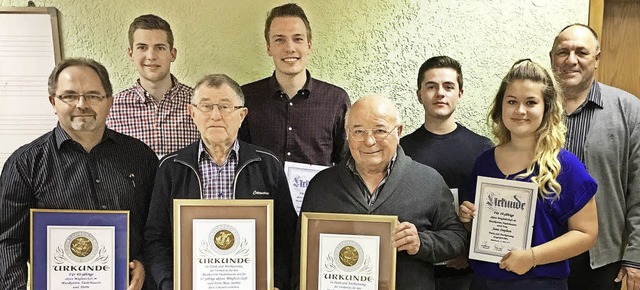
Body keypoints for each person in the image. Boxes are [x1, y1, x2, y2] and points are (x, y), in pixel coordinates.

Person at [0, 58, 158, 290]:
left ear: (109, 102)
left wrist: (145, 264)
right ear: (53, 102)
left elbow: (156, 229)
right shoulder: (25, 164)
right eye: (70, 96)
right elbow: (8, 241)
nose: (82, 104)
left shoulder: (140, 156)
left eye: (93, 95)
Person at [297, 94, 467, 289]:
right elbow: (301, 254)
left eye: (380, 131)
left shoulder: (429, 181)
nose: (369, 141)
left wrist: (421, 242)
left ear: (399, 132)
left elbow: (457, 238)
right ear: (347, 133)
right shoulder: (321, 185)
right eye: (358, 131)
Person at [144, 74, 297, 290]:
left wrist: (276, 283)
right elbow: (156, 238)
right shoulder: (171, 168)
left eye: (225, 107)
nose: (215, 116)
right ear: (192, 113)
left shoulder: (268, 165)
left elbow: (286, 235)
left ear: (242, 115)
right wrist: (170, 284)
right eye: (206, 106)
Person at [459, 59, 598, 290]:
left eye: (531, 102)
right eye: (512, 101)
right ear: (500, 106)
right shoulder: (484, 162)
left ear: (546, 108)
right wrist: (468, 219)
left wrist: (532, 257)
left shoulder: (565, 166)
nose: (520, 110)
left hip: (541, 284)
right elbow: (479, 230)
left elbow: (587, 233)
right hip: (484, 282)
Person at [549, 23, 640, 290]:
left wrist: (635, 258)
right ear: (552, 57)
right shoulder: (533, 110)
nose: (571, 60)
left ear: (597, 59)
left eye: (581, 52)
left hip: (601, 259)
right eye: (563, 52)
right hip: (540, 251)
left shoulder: (630, 111)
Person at [400, 55, 493, 290]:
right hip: (413, 268)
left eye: (448, 86)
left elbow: (491, 212)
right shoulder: (400, 149)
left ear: (460, 93)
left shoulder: (483, 149)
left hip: (464, 271)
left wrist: (468, 250)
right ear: (419, 94)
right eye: (431, 86)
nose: (440, 93)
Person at [239, 3, 351, 166]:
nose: (289, 48)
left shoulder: (336, 101)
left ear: (309, 45)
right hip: (262, 192)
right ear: (269, 48)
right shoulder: (247, 97)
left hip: (318, 192)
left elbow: (346, 163)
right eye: (280, 40)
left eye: (297, 39)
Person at [107, 14, 199, 157]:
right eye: (142, 47)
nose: (151, 56)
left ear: (172, 54)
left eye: (160, 48)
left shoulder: (199, 104)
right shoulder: (112, 109)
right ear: (130, 53)